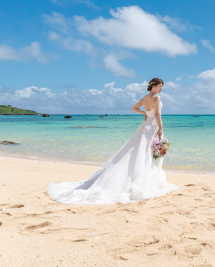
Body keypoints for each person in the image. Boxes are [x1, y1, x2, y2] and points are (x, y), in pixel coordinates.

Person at [48, 78, 178, 204]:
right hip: (153, 126)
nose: (161, 89)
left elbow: (134, 108)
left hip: (145, 126)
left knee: (139, 152)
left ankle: (136, 177)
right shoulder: (156, 98)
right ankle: (145, 180)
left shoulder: (145, 98)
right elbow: (157, 114)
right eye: (160, 86)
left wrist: (144, 113)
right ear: (154, 86)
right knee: (147, 153)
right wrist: (160, 128)